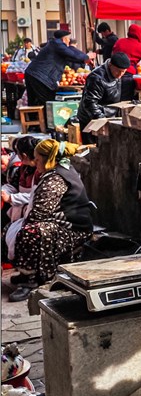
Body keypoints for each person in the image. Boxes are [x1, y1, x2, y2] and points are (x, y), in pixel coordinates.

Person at [9, 139, 94, 302]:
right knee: (16, 229)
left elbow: (38, 214)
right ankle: (27, 273)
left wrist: (24, 222)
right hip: (65, 223)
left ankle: (35, 280)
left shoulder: (56, 178)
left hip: (74, 229)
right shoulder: (59, 170)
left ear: (47, 159)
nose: (36, 163)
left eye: (38, 159)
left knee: (30, 232)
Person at [23, 29, 92, 107]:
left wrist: (84, 61)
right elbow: (72, 54)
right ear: (64, 39)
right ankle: (45, 118)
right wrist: (87, 56)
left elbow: (70, 59)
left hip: (32, 74)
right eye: (68, 38)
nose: (69, 41)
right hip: (40, 77)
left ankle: (34, 118)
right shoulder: (58, 44)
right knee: (48, 101)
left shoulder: (54, 45)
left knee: (34, 103)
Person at [2, 136, 41, 266]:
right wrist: (4, 192)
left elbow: (36, 195)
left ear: (24, 155)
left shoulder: (41, 170)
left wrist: (12, 198)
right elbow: (12, 185)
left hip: (35, 213)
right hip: (20, 210)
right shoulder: (22, 169)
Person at [77, 52, 129, 139]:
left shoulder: (117, 75)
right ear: (110, 65)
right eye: (118, 71)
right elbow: (90, 102)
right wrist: (101, 120)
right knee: (93, 148)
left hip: (109, 117)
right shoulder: (96, 77)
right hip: (92, 119)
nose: (120, 75)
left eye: (123, 72)